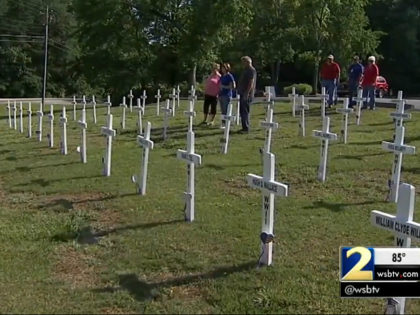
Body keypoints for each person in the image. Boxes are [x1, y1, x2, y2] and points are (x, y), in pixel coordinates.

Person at [237, 56, 257, 133]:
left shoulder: (251, 70)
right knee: (242, 111)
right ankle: (244, 127)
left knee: (245, 111)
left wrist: (247, 93)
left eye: (243, 62)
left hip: (247, 94)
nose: (242, 64)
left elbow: (251, 83)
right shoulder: (246, 70)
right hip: (242, 93)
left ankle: (246, 128)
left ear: (248, 62)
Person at [219, 63, 236, 128]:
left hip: (227, 95)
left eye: (223, 68)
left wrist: (224, 86)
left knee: (226, 109)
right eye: (222, 68)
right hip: (221, 94)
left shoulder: (230, 76)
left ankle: (228, 123)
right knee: (222, 110)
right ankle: (223, 123)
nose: (222, 69)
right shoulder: (222, 76)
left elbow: (233, 86)